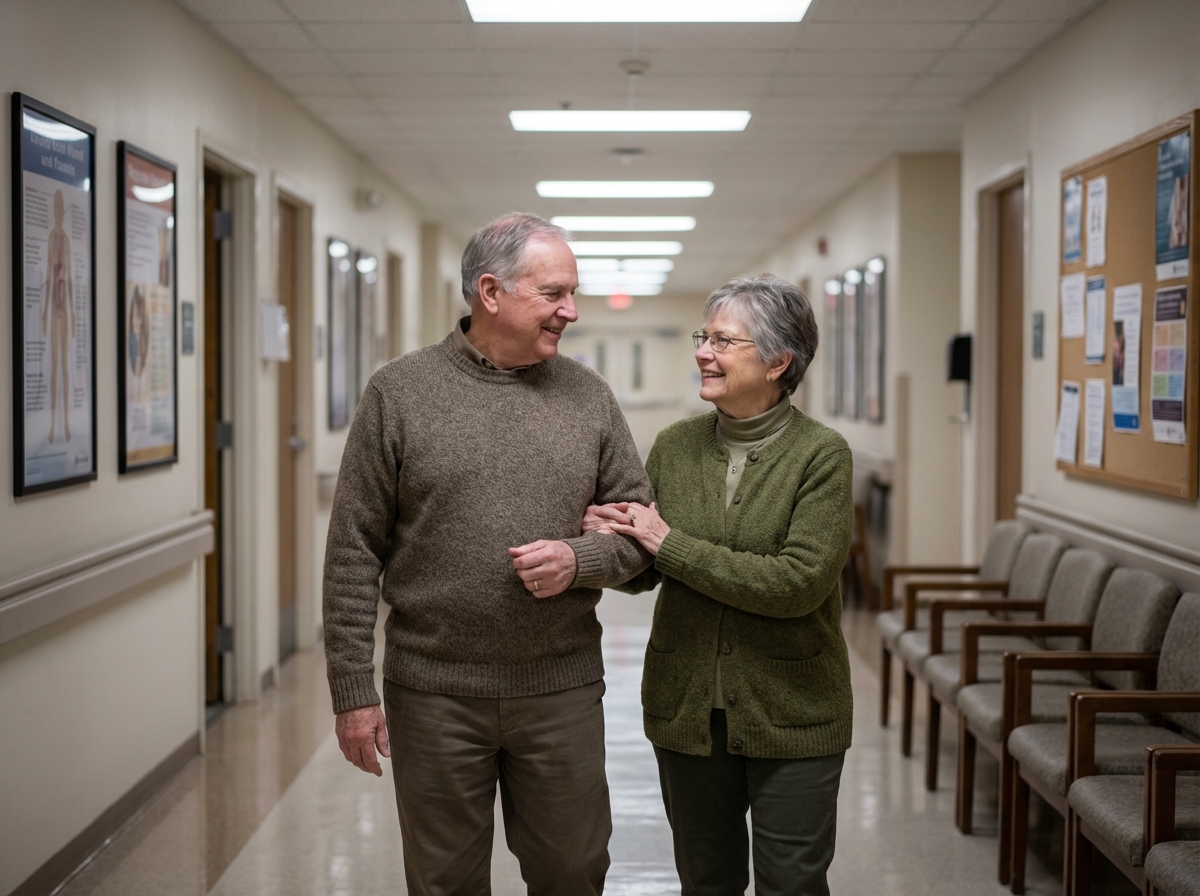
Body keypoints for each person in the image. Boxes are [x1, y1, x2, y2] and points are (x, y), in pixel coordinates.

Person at [323, 212, 654, 896]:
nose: (572, 310)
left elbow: (640, 540)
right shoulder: (400, 392)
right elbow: (353, 550)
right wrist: (353, 691)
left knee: (573, 873)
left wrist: (579, 560)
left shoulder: (588, 396)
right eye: (554, 293)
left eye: (573, 293)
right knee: (444, 882)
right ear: (490, 291)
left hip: (559, 687)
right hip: (433, 693)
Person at [584, 274, 854, 896]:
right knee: (706, 880)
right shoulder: (676, 446)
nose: (703, 351)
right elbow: (647, 571)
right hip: (687, 707)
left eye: (724, 341)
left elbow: (797, 584)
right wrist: (612, 537)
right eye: (704, 337)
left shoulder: (822, 455)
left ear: (779, 360)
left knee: (792, 881)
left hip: (795, 707)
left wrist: (664, 541)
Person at [42, 189, 76, 443]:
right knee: (55, 366)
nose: (58, 211)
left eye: (60, 207)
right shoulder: (52, 239)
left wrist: (74, 312)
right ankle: (53, 425)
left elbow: (70, 279)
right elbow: (47, 277)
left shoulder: (66, 240)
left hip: (64, 309)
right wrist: (44, 311)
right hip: (55, 310)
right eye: (55, 207)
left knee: (64, 366)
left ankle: (65, 423)